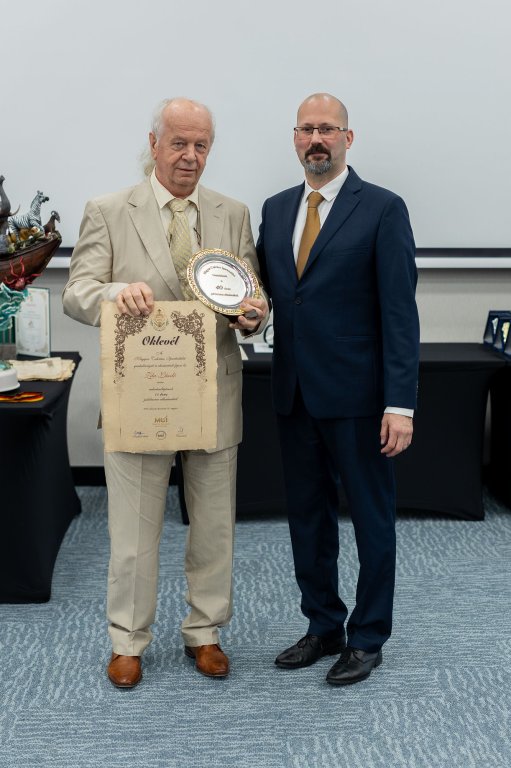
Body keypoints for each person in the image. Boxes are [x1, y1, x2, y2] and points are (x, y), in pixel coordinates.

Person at [63, 97, 268, 687]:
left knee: (214, 527)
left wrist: (255, 316)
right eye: (178, 143)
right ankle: (127, 640)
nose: (190, 156)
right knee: (132, 533)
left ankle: (206, 632)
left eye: (201, 145)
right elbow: (77, 291)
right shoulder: (108, 210)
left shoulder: (233, 213)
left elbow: (251, 295)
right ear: (154, 145)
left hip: (213, 393)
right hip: (141, 395)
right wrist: (113, 292)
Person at [256, 93, 420, 686]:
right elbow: (269, 295)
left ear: (349, 138)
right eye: (306, 129)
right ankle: (323, 624)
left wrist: (400, 404)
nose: (316, 139)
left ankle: (368, 636)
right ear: (295, 138)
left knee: (372, 521)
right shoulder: (276, 209)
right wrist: (250, 315)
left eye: (328, 128)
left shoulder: (382, 209)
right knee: (308, 518)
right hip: (294, 393)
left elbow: (399, 314)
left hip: (359, 398)